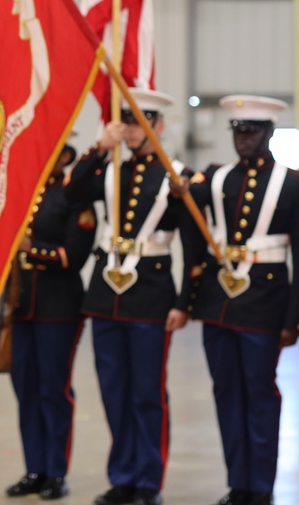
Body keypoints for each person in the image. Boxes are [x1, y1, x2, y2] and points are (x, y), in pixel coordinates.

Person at [179, 95, 299, 505]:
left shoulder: (295, 183)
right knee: (226, 395)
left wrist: (296, 317)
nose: (244, 139)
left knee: (259, 395)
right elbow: (189, 227)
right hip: (218, 305)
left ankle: (262, 487)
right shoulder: (215, 179)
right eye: (238, 132)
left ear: (269, 133)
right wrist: (179, 192)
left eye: (252, 132)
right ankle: (239, 484)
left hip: (265, 305)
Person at [65, 88, 193, 505]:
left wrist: (183, 301)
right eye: (128, 121)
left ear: (157, 125)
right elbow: (74, 191)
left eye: (141, 121)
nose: (134, 130)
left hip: (151, 296)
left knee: (147, 394)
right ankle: (123, 476)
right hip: (106, 296)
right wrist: (100, 147)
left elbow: (193, 243)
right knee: (113, 390)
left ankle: (148, 481)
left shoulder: (176, 175)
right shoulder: (112, 167)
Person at [4, 143, 97, 501]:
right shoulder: (24, 191)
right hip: (22, 305)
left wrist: (31, 248)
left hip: (58, 307)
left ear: (65, 156)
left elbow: (73, 256)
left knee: (52, 391)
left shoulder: (73, 195)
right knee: (25, 389)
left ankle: (56, 471)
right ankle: (35, 469)